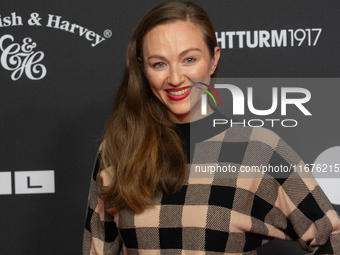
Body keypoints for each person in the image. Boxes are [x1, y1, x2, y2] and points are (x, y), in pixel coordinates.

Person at [83, 1, 340, 254]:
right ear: (142, 68)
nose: (175, 78)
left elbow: (332, 237)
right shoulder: (118, 151)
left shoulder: (257, 149)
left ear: (213, 59)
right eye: (159, 64)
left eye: (189, 59)